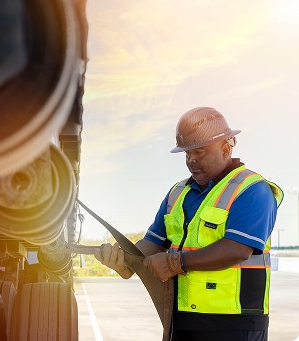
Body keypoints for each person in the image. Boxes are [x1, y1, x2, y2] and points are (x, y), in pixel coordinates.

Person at [94, 106, 283, 341]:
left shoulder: (253, 190)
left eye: (199, 151)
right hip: (182, 320)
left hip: (235, 324)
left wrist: (174, 263)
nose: (191, 160)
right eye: (186, 153)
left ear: (226, 148)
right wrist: (125, 261)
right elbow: (152, 243)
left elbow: (237, 249)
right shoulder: (178, 193)